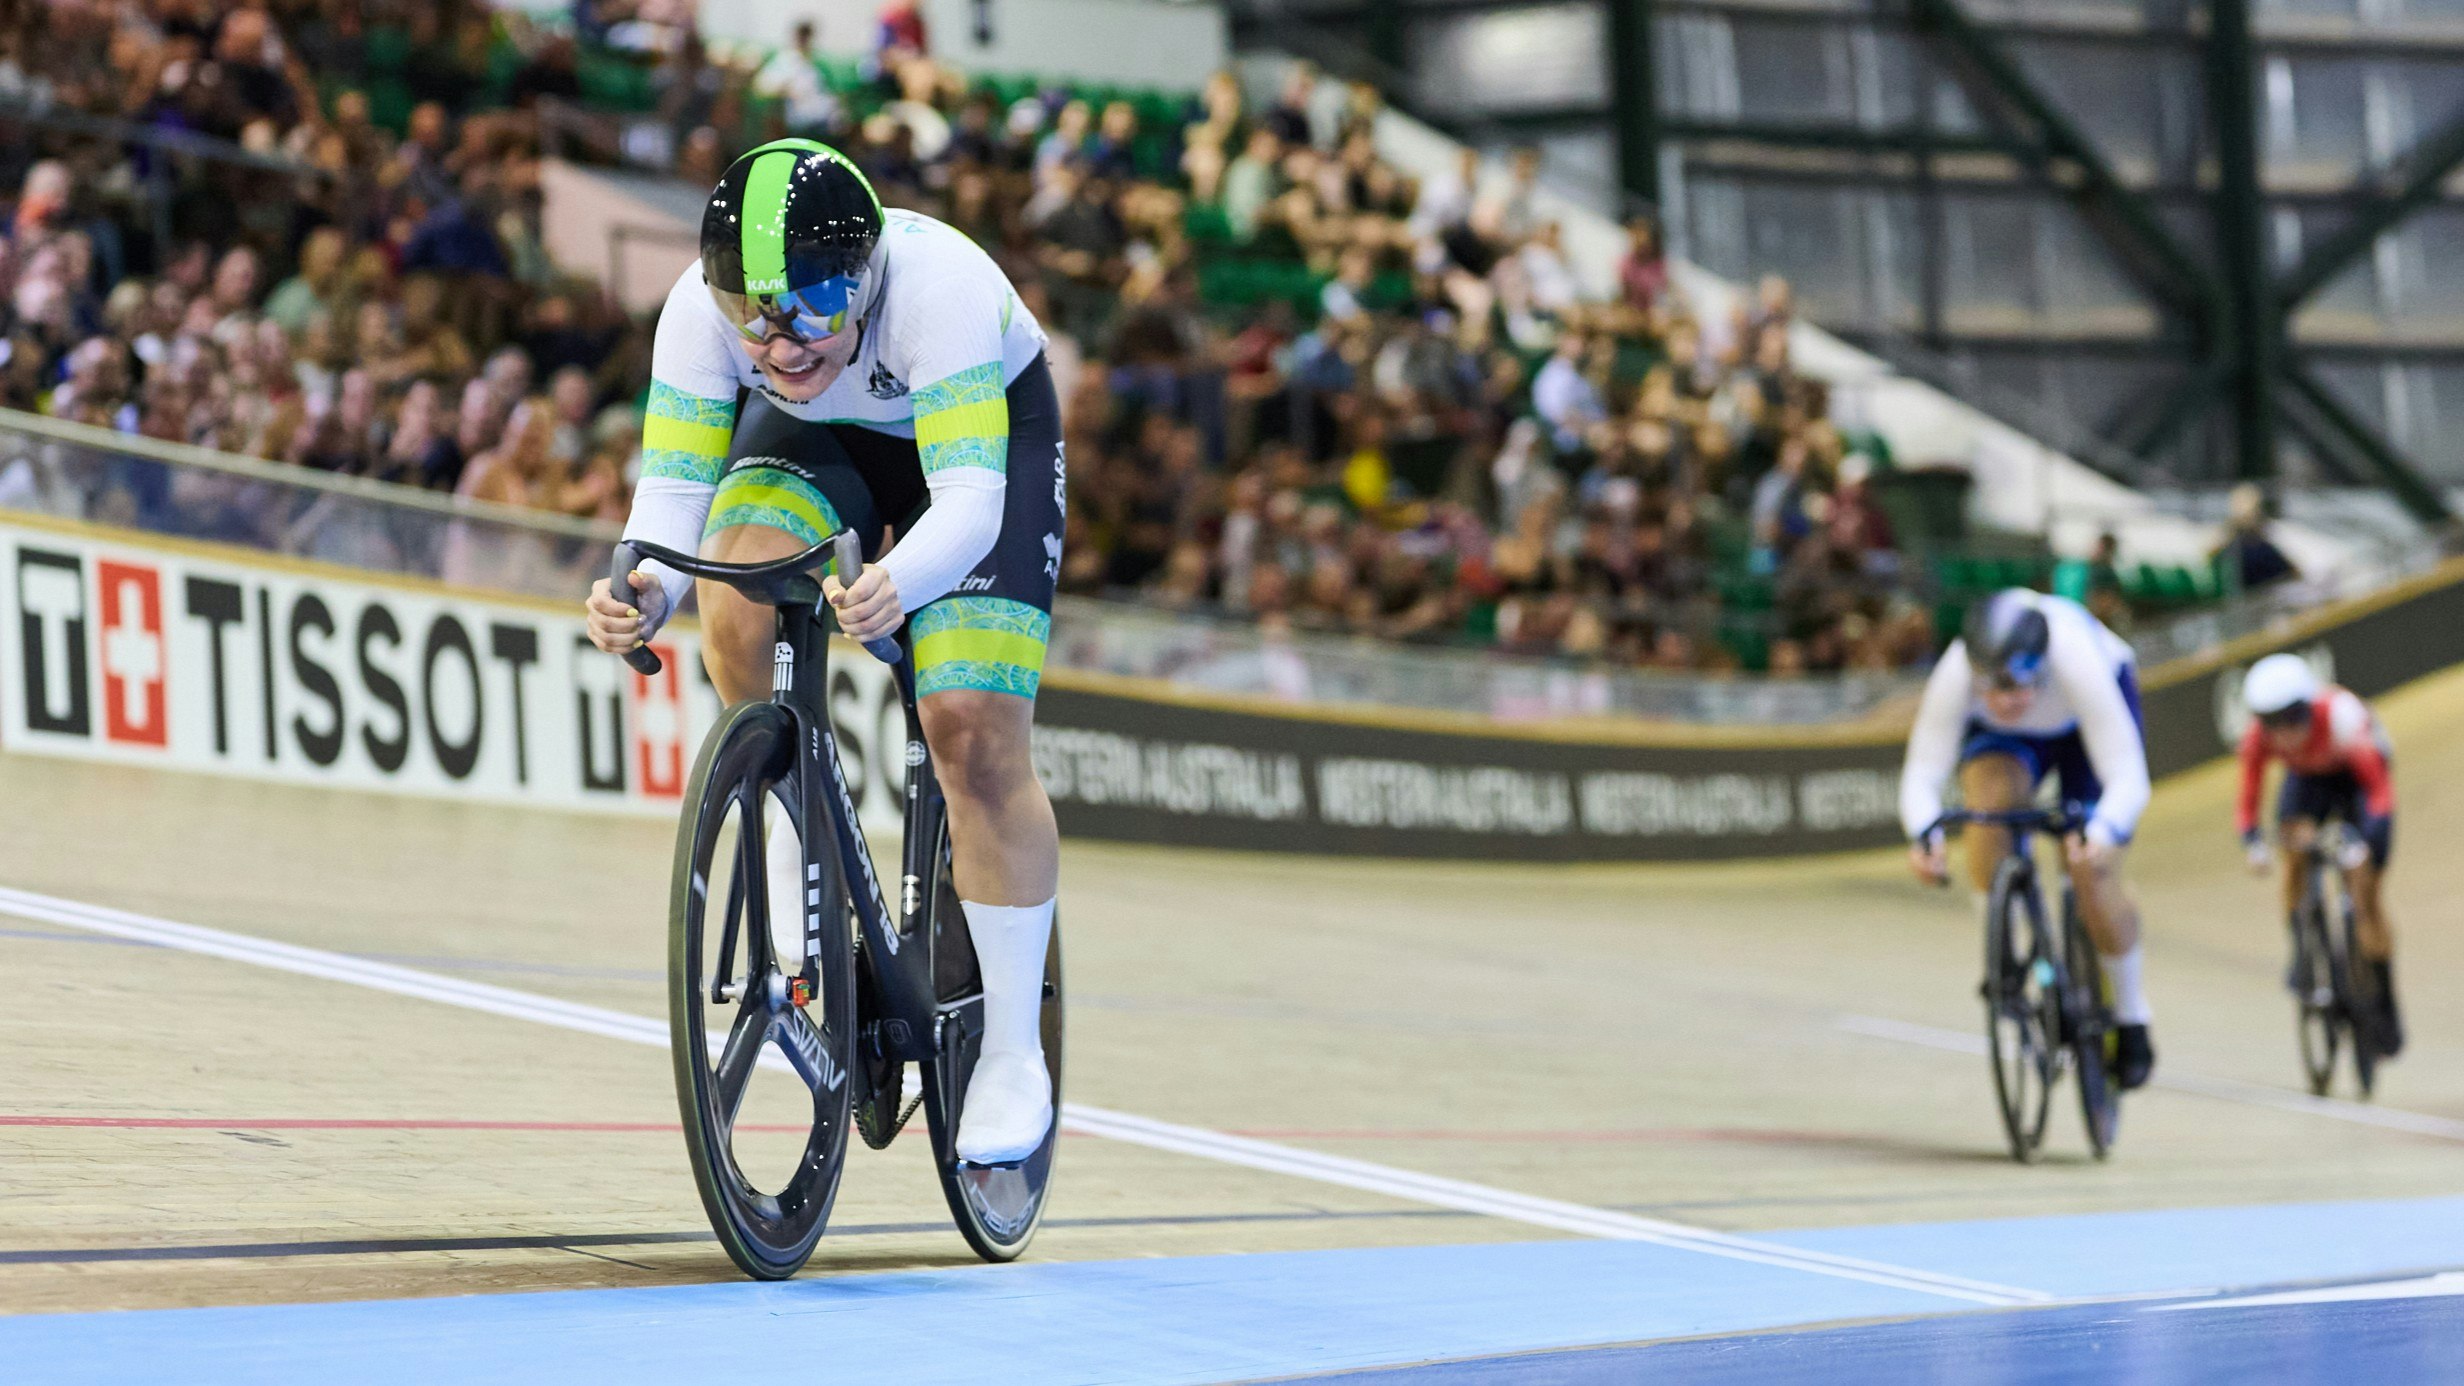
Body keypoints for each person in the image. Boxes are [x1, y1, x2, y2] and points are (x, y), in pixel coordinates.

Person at [583, 140, 1061, 1166]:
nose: (782, 338)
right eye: (750, 312)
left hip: (979, 446)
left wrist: (900, 585)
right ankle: (799, 862)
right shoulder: (698, 316)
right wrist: (643, 591)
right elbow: (669, 501)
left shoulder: (942, 290)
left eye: (813, 303)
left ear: (870, 270)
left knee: (969, 729)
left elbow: (971, 505)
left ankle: (1016, 1053)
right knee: (735, 591)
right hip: (824, 446)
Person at [1901, 589, 2158, 1089]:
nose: (2004, 701)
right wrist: (1923, 835)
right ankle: (2009, 955)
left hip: (2085, 731)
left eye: (2018, 687)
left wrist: (2103, 831)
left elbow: (2129, 775)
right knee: (1988, 811)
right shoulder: (1957, 670)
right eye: (1991, 689)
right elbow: (1923, 773)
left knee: (2091, 868)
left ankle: (2131, 1015)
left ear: (2041, 665)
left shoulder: (2077, 658)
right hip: (2011, 745)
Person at [2236, 654, 2402, 1054]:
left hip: (2357, 783)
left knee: (2366, 893)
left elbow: (2378, 792)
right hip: (2309, 781)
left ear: (2309, 708)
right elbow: (2249, 799)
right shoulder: (2258, 738)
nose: (2283, 734)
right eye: (2271, 723)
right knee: (2292, 847)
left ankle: (2384, 999)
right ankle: (2302, 950)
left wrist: (2367, 843)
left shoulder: (2343, 718)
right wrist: (2253, 842)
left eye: (2292, 719)